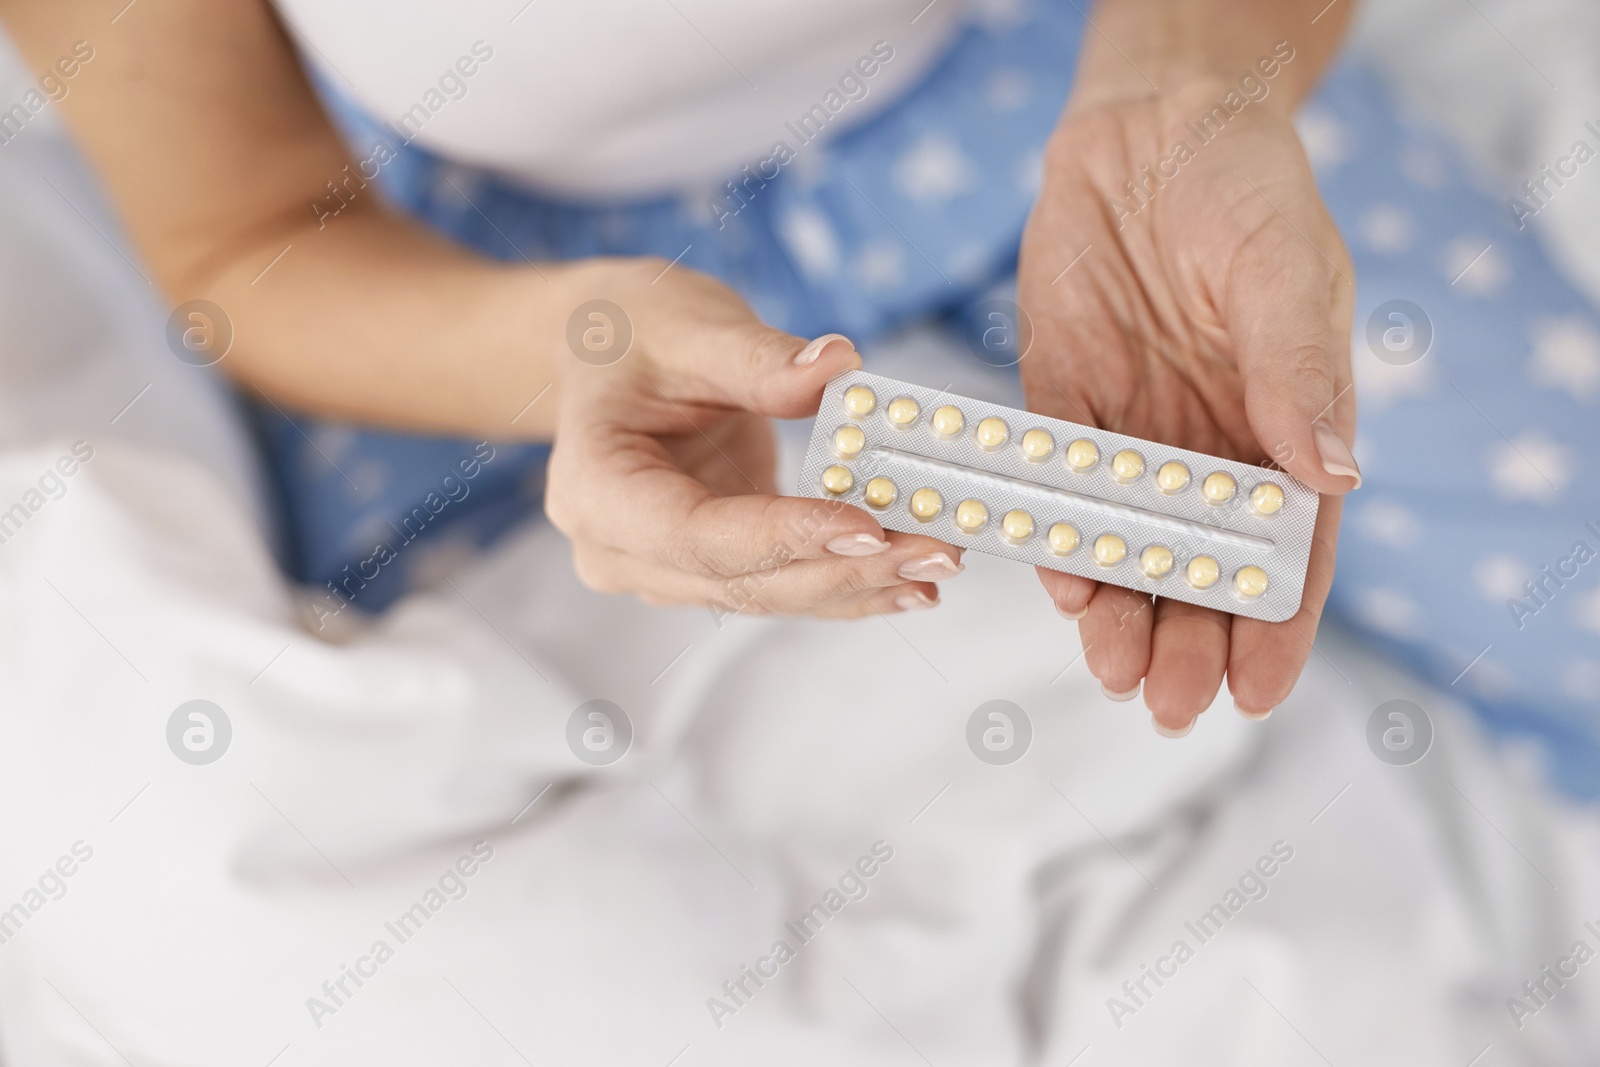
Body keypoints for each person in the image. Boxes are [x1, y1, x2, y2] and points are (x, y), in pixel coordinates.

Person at [0, 0, 1360, 740]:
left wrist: (1183, 88)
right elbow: (245, 243)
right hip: (492, 250)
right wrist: (569, 351)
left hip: (1074, 87)